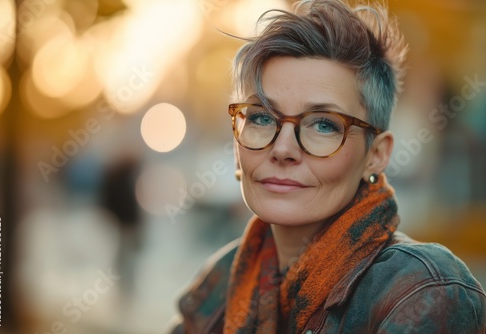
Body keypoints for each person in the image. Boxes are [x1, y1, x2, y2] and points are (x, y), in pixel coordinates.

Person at [168, 0, 486, 333]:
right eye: (262, 117)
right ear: (236, 148)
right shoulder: (218, 284)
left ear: (376, 155)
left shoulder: (421, 290)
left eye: (323, 124)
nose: (283, 149)